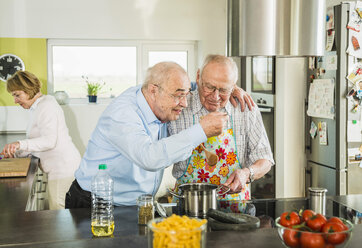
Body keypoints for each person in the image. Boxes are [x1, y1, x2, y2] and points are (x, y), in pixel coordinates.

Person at [66, 61, 252, 208]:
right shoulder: (123, 114)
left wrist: (227, 87)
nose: (185, 103)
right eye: (178, 96)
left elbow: (193, 85)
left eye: (186, 95)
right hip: (94, 204)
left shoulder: (158, 91)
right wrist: (201, 130)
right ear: (153, 90)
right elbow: (150, 158)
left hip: (133, 205)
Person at [168, 55, 274, 208]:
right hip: (188, 206)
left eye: (224, 90)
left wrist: (247, 174)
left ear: (234, 86)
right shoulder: (179, 106)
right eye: (209, 87)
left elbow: (265, 160)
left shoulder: (246, 109)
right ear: (198, 77)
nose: (215, 97)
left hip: (236, 207)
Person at [1, 71, 81, 210]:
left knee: (60, 215)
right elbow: (36, 142)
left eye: (17, 95)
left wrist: (19, 144)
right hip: (59, 168)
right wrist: (16, 152)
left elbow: (49, 141)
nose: (15, 100)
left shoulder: (46, 106)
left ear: (28, 90)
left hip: (63, 169)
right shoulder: (38, 107)